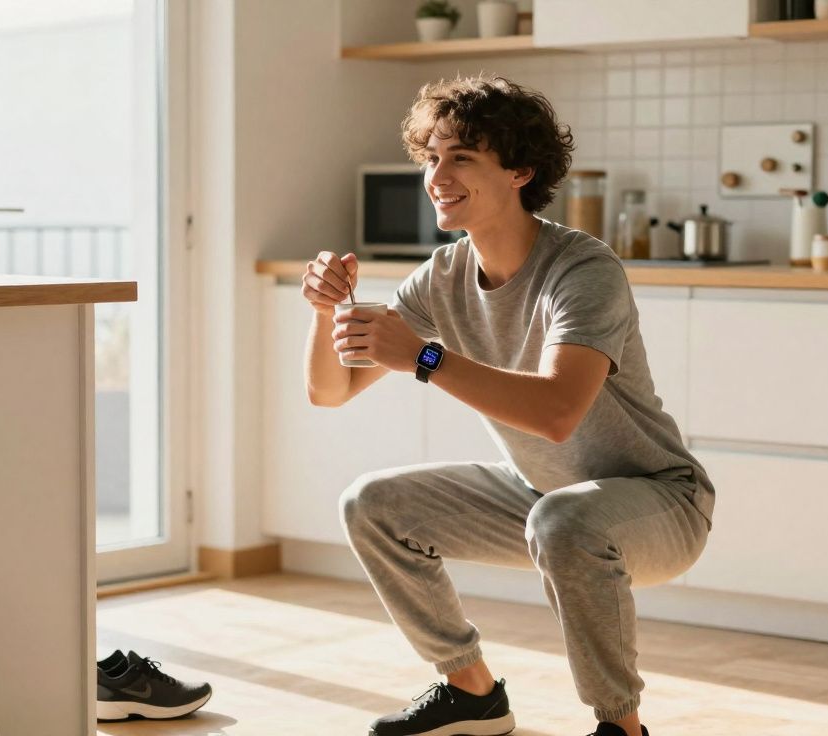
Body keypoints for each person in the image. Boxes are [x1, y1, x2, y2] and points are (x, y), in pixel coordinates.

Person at [299, 76, 715, 736]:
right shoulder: (442, 277)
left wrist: (424, 357)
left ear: (521, 170)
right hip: (541, 492)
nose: (438, 176)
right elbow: (332, 391)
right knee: (371, 505)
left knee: (564, 520)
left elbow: (556, 413)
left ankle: (623, 728)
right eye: (432, 157)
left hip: (660, 499)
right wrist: (325, 312)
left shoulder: (582, 270)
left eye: (462, 157)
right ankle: (472, 694)